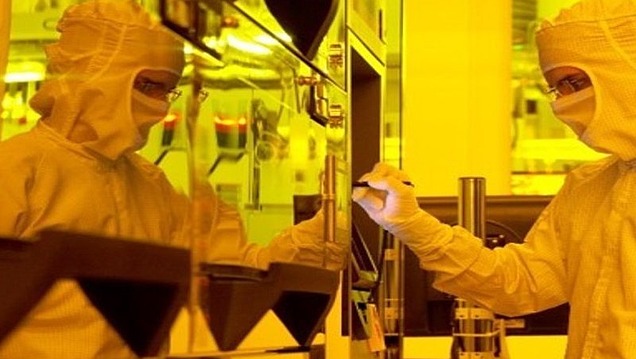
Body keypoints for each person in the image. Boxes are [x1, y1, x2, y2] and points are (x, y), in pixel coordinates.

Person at [0, 0, 347, 358]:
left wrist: (322, 234)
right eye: (149, 85)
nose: (161, 105)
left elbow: (240, 274)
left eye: (168, 90)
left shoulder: (151, 185)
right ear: (95, 70)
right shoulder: (17, 170)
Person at [353, 0, 636, 358]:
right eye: (556, 90)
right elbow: (521, 285)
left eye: (574, 82)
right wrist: (413, 225)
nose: (562, 104)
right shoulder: (589, 187)